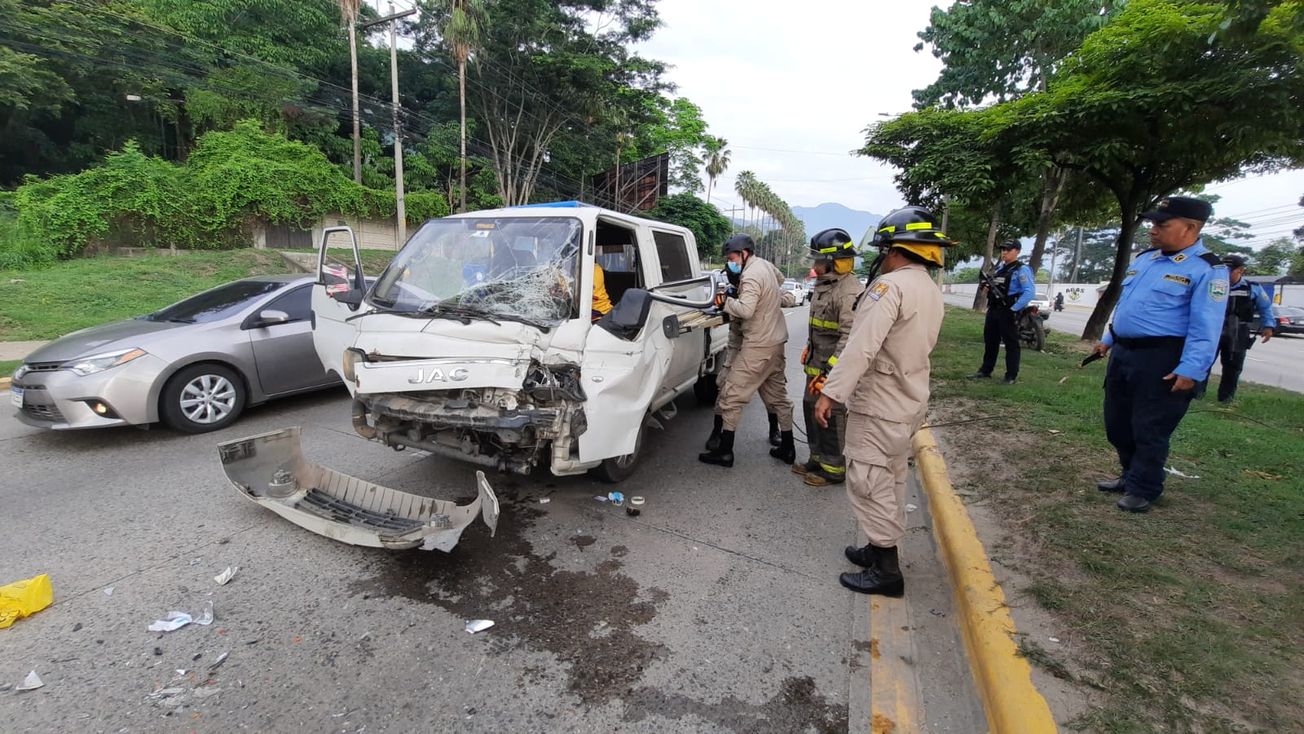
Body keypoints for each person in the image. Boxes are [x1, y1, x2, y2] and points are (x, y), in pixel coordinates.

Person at [813, 206, 950, 596]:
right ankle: (877, 549)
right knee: (890, 475)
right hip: (907, 400)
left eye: (884, 249)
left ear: (893, 250)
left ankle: (887, 569)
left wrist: (830, 394)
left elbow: (860, 348)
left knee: (869, 480)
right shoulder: (927, 287)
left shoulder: (889, 288)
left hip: (879, 403)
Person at [1090, 196, 1228, 513]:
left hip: (1162, 357)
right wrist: (1108, 339)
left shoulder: (1207, 269)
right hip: (1124, 352)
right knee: (1117, 422)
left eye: (1162, 224)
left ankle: (1145, 488)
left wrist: (1192, 369)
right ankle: (1129, 474)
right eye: (1153, 224)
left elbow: (1206, 326)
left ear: (1190, 227)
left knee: (1149, 427)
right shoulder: (1146, 260)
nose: (1153, 230)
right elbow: (1128, 307)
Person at [699, 234, 796, 468]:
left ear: (743, 253)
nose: (730, 261)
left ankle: (724, 452)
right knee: (778, 397)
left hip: (758, 345)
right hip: (776, 343)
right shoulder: (765, 266)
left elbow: (746, 310)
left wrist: (725, 302)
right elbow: (779, 280)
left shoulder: (751, 274)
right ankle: (787, 447)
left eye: (732, 257)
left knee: (731, 395)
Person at [794, 228, 864, 487]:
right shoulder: (825, 285)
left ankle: (833, 469)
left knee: (830, 417)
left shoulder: (847, 292)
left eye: (819, 260)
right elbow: (821, 327)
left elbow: (849, 338)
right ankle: (817, 458)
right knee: (811, 409)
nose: (815, 265)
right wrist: (808, 347)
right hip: (816, 364)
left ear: (833, 261)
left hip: (829, 372)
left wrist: (829, 374)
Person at [1209, 254, 1275, 403]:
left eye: (1229, 271)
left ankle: (1225, 399)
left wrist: (1268, 326)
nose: (1224, 274)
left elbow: (1265, 308)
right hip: (1213, 328)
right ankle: (1195, 395)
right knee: (1203, 362)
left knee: (1233, 366)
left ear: (1240, 271)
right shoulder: (1213, 284)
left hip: (1238, 331)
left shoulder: (1252, 288)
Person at [970, 241, 1035, 384]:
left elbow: (1029, 293)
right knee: (990, 341)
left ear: (1017, 251)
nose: (1004, 252)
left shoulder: (1021, 269)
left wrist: (1014, 309)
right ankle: (985, 371)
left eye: (1008, 250)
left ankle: (1011, 375)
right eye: (1003, 250)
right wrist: (985, 288)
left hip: (1009, 309)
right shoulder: (1000, 268)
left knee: (1011, 343)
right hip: (994, 309)